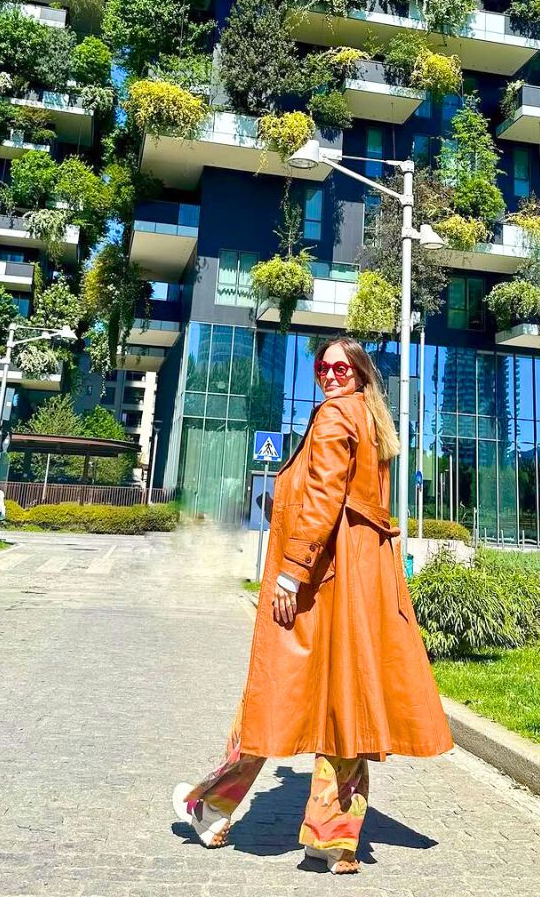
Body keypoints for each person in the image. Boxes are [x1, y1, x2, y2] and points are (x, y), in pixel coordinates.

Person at [173, 336, 453, 873]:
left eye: (341, 367)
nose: (329, 374)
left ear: (362, 374)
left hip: (321, 581)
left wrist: (290, 573)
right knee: (344, 707)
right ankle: (331, 839)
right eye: (323, 367)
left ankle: (208, 805)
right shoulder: (373, 423)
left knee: (274, 696)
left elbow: (323, 497)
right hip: (356, 581)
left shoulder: (334, 418)